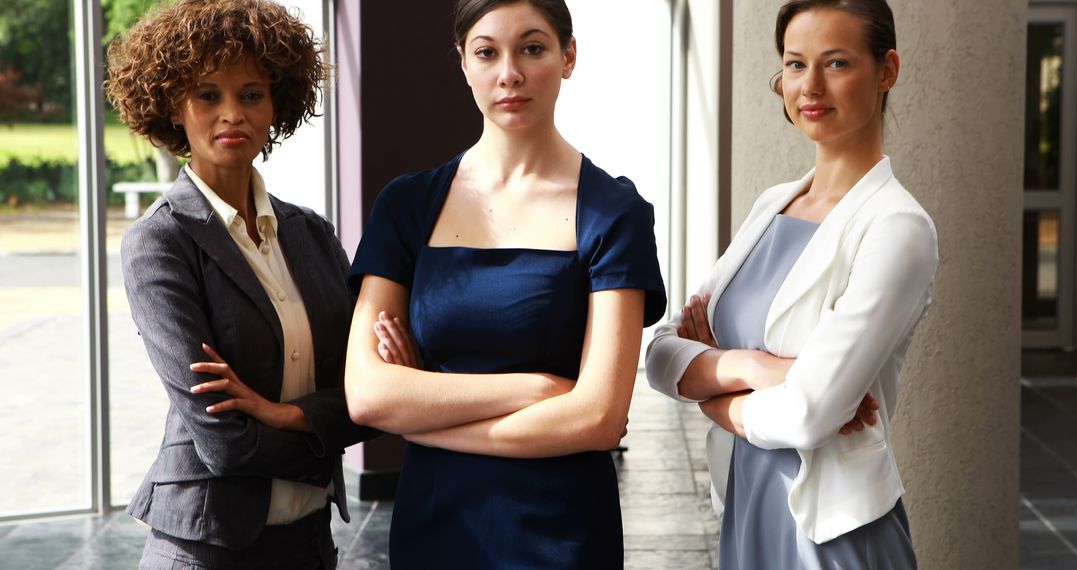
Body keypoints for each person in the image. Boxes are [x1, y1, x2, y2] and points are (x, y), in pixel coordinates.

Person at [342, 0, 666, 566]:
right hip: (434, 525)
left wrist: (424, 418)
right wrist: (534, 389)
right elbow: (369, 395)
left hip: (560, 533)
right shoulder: (407, 205)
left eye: (532, 48)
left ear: (569, 56)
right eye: (487, 52)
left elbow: (598, 417)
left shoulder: (614, 212)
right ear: (463, 63)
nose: (509, 72)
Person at [645, 0, 937, 568]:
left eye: (836, 63)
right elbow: (659, 353)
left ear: (887, 71)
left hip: (831, 536)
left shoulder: (897, 228)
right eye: (796, 64)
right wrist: (755, 369)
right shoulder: (772, 205)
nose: (811, 86)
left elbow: (808, 413)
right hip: (746, 510)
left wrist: (707, 381)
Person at [106, 1, 380, 567]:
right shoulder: (160, 243)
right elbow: (223, 444)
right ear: (174, 107)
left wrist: (284, 414)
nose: (232, 113)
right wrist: (324, 432)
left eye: (251, 94)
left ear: (276, 104)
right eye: (208, 95)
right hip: (208, 549)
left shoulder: (311, 233)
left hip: (310, 543)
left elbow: (372, 393)